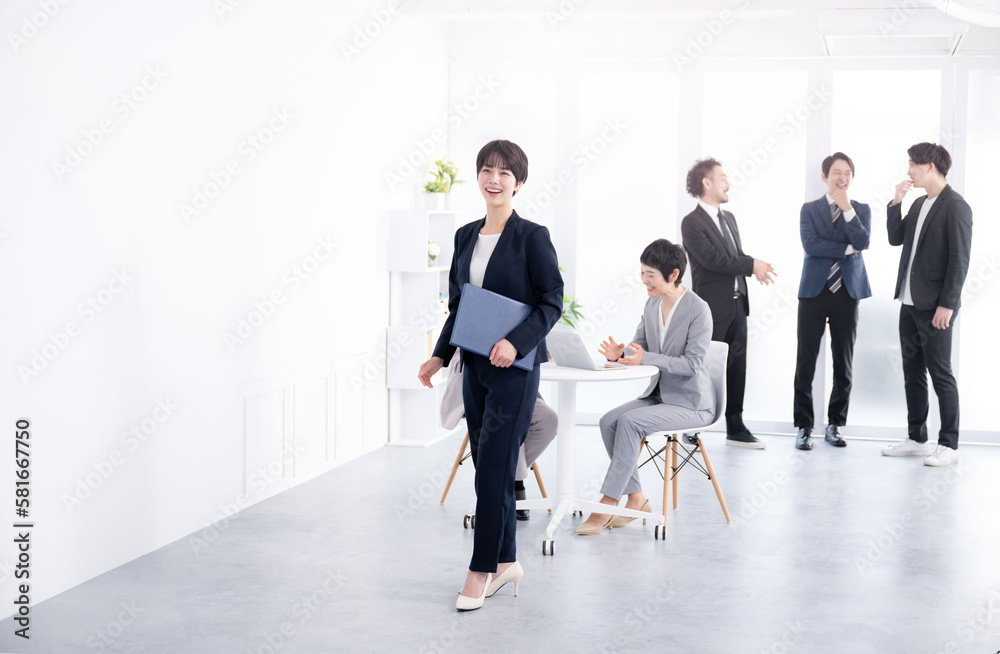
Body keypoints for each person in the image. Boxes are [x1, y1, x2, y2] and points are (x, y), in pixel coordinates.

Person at [417, 140, 563, 610]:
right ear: (478, 176)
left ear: (519, 183)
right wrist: (439, 356)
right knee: (489, 469)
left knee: (494, 470)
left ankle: (479, 571)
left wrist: (516, 342)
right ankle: (505, 561)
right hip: (474, 367)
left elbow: (551, 303)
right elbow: (459, 305)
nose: (494, 179)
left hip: (514, 371)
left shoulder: (532, 236)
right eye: (486, 170)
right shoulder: (465, 236)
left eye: (504, 173)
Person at [575, 239, 716, 535]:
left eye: (650, 274)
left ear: (673, 275)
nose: (644, 280)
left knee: (629, 422)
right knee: (609, 421)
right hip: (659, 396)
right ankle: (636, 498)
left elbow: (692, 364)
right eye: (642, 273)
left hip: (692, 404)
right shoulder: (652, 304)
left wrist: (645, 357)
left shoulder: (698, 309)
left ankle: (608, 502)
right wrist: (619, 353)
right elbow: (639, 347)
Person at [882, 143, 972, 466]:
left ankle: (949, 445)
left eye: (912, 164)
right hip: (908, 302)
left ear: (930, 166)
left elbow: (959, 261)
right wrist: (896, 202)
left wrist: (947, 305)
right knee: (912, 373)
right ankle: (917, 438)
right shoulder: (919, 203)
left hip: (935, 307)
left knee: (941, 374)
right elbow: (895, 238)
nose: (908, 171)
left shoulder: (956, 206)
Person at [681, 158, 775, 449]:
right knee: (705, 367)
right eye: (722, 178)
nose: (728, 183)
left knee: (737, 366)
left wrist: (754, 266)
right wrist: (751, 265)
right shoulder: (691, 222)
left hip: (737, 305)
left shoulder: (729, 218)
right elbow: (713, 260)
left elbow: (735, 255)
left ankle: (735, 427)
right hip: (711, 308)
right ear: (706, 182)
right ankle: (692, 425)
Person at [793, 152, 872, 450]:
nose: (843, 177)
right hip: (814, 292)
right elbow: (810, 245)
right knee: (806, 361)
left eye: (848, 172)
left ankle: (835, 424)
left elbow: (863, 242)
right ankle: (804, 426)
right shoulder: (809, 209)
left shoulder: (860, 209)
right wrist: (846, 249)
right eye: (837, 172)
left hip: (847, 293)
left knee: (843, 362)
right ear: (824, 176)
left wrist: (847, 209)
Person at [439, 355, 558, 520]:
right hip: (479, 385)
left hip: (517, 382)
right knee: (510, 422)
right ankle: (515, 485)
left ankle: (501, 475)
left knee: (548, 419)